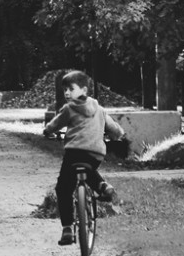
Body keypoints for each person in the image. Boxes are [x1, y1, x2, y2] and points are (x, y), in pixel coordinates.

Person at [43, 70, 126, 246]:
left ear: (84, 90)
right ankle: (102, 185)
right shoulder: (100, 109)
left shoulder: (69, 109)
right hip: (96, 155)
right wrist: (119, 135)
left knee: (63, 188)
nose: (67, 93)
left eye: (70, 89)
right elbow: (115, 129)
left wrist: (47, 131)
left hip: (74, 153)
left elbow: (55, 124)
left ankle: (67, 228)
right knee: (87, 168)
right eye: (64, 90)